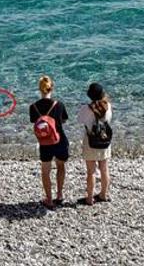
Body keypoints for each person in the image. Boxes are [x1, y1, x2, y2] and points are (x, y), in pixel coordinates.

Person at [29, 75, 69, 209]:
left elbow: (36, 123)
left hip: (45, 143)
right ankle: (60, 195)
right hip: (60, 140)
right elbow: (63, 120)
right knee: (60, 167)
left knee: (45, 170)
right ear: (52, 88)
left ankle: (49, 199)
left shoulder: (33, 107)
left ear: (39, 89)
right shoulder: (59, 105)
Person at [77, 83, 112, 206]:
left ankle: (90, 198)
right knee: (104, 168)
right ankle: (103, 194)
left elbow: (79, 120)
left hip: (91, 141)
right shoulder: (108, 106)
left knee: (91, 171)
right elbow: (108, 120)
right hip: (104, 139)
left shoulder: (85, 109)